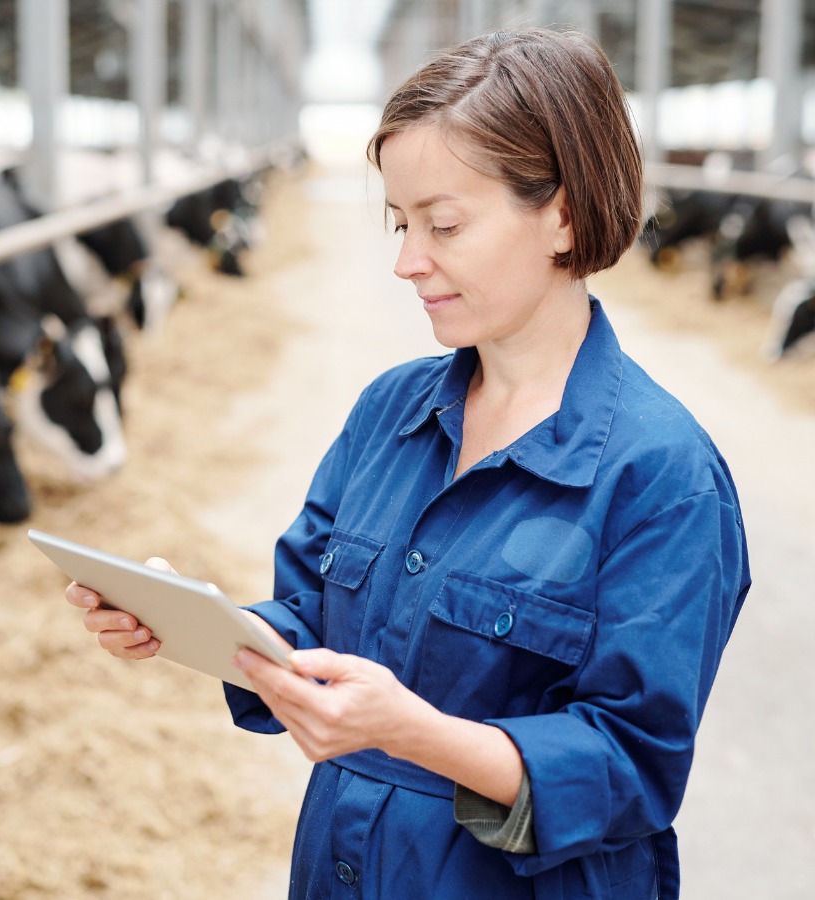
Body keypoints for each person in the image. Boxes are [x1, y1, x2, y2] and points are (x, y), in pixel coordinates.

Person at [64, 26, 750, 899]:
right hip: (346, 864)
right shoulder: (392, 410)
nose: (406, 262)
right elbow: (312, 613)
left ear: (564, 214)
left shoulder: (663, 476)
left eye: (445, 225)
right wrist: (199, 628)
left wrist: (415, 732)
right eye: (400, 222)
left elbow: (633, 768)